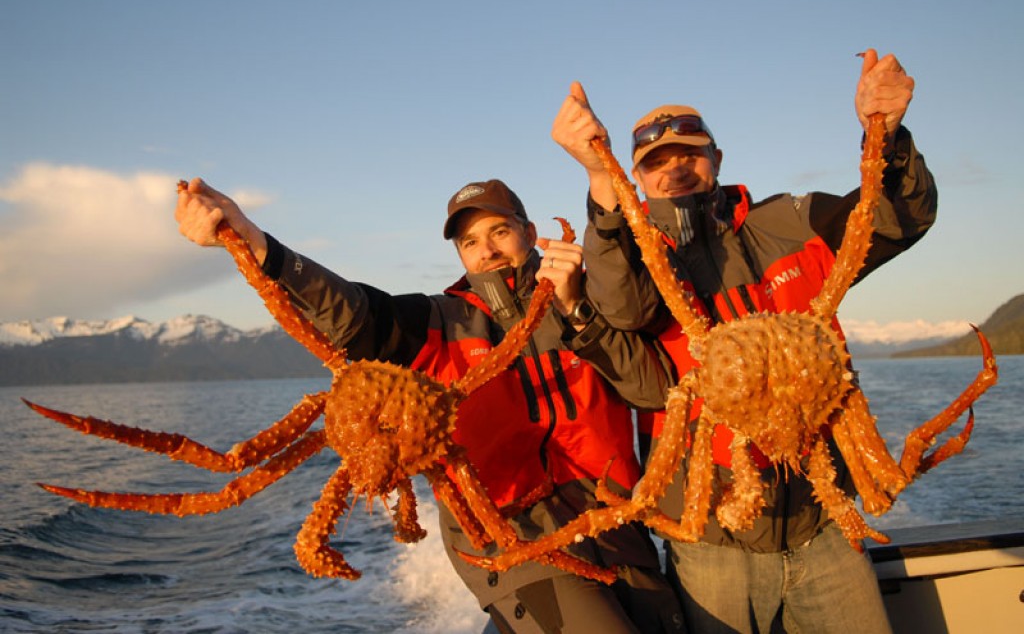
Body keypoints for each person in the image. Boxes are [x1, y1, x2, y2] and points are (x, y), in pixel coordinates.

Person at [176, 177, 686, 633]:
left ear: (530, 233)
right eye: (470, 242)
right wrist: (251, 241)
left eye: (499, 232)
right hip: (510, 539)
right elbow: (349, 309)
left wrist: (577, 303)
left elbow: (650, 376)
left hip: (619, 523)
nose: (486, 251)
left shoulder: (585, 298)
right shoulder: (436, 323)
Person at [550, 49, 935, 633]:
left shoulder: (788, 221)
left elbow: (890, 219)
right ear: (639, 177)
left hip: (826, 518)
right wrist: (600, 178)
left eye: (691, 154)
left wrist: (885, 134)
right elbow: (623, 309)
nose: (675, 168)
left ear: (717, 158)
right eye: (656, 161)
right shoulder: (632, 256)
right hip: (712, 535)